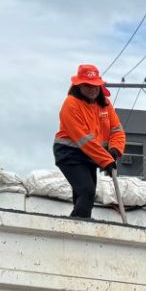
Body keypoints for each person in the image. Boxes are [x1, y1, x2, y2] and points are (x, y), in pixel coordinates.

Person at [53, 63, 126, 220]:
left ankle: (78, 222)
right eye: (87, 85)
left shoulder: (105, 105)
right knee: (87, 190)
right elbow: (83, 139)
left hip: (91, 154)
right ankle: (78, 225)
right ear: (78, 86)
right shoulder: (71, 104)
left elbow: (117, 131)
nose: (92, 89)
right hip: (69, 152)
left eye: (95, 86)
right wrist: (106, 160)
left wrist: (114, 149)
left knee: (84, 194)